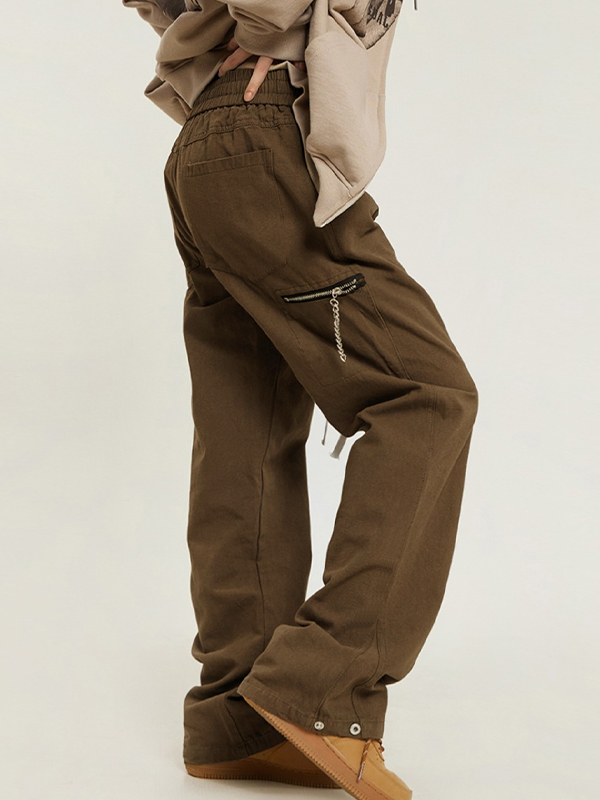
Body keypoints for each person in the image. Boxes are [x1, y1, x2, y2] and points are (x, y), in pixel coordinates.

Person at [124, 2, 478, 798]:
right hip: (269, 128)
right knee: (426, 394)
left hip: (210, 142)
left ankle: (238, 719)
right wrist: (265, 23)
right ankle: (320, 685)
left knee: (246, 425)